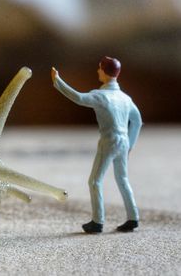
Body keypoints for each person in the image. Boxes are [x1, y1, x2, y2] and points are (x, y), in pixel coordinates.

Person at [51, 57, 142, 233]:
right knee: (123, 180)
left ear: (104, 72)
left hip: (109, 141)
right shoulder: (125, 98)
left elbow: (78, 97)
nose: (97, 71)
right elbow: (137, 122)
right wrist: (130, 144)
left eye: (99, 68)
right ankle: (133, 217)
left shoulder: (101, 96)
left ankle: (98, 221)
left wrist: (58, 81)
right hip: (123, 141)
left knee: (95, 181)